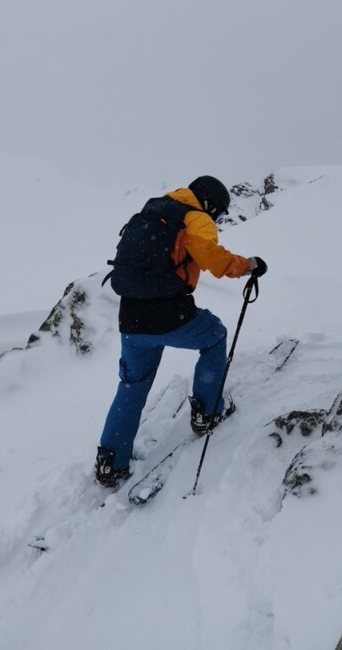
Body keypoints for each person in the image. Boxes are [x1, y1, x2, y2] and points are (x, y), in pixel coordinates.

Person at [95, 175, 267, 487]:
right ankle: (207, 412)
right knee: (214, 337)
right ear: (211, 205)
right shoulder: (196, 218)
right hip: (170, 313)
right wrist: (248, 265)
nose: (219, 219)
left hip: (131, 317)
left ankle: (110, 461)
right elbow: (213, 260)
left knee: (132, 383)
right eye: (221, 215)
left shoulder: (154, 209)